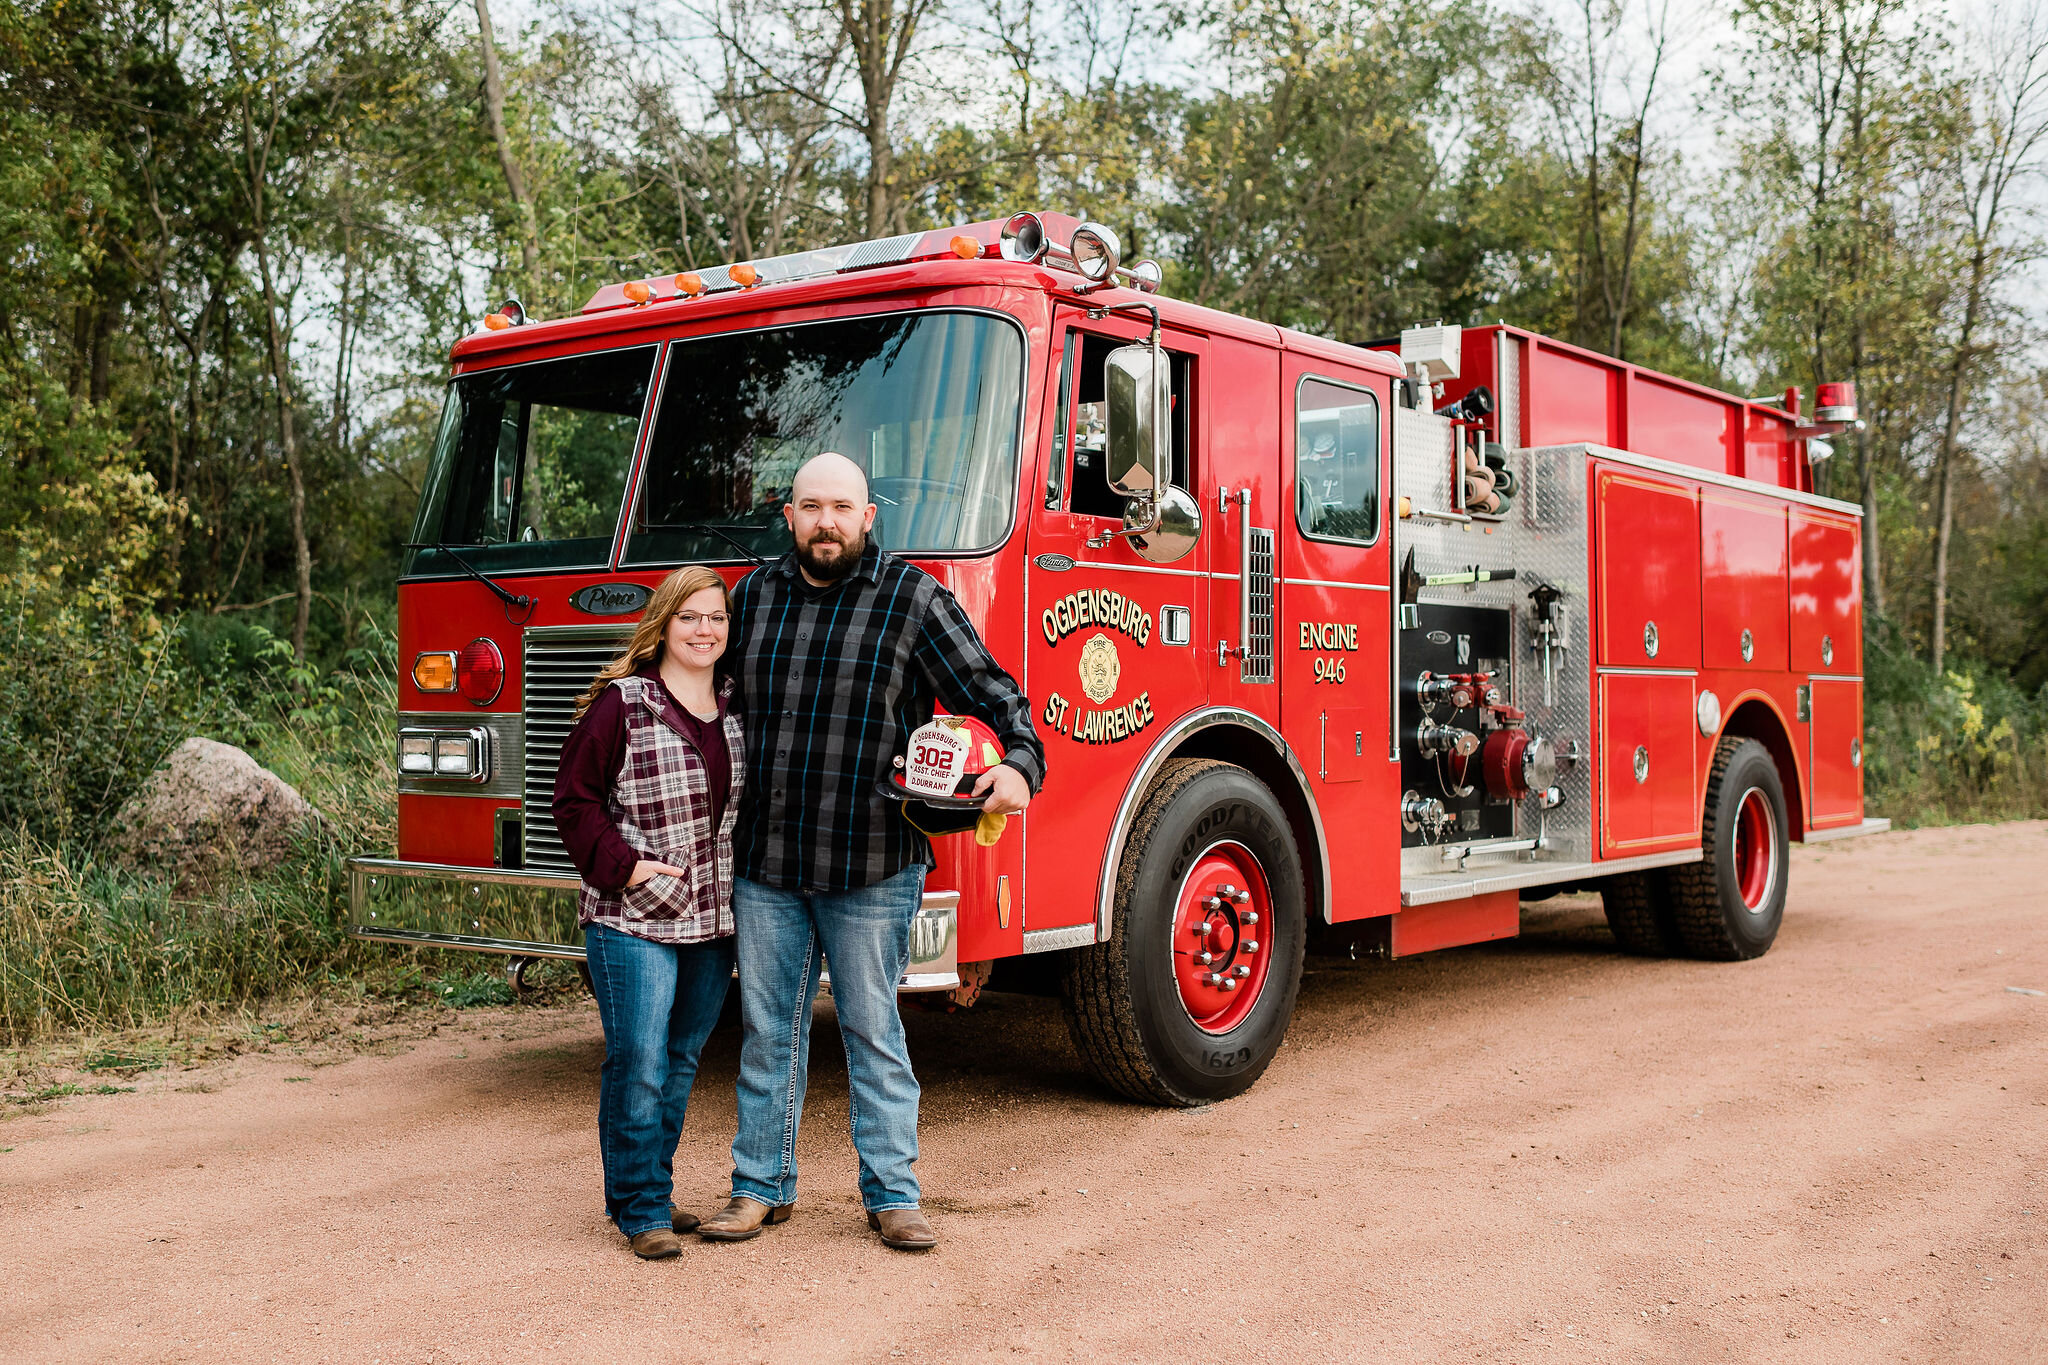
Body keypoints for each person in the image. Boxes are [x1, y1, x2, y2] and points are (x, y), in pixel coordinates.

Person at [695, 452, 1044, 1252]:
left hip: (873, 861)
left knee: (872, 1029)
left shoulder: (914, 598)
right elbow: (712, 702)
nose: (826, 521)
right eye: (811, 506)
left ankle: (893, 1194)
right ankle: (758, 1188)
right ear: (789, 515)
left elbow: (994, 692)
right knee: (767, 1032)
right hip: (768, 861)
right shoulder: (754, 597)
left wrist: (1021, 765)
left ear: (868, 517)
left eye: (841, 507)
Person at [552, 564, 744, 1260]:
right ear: (663, 623)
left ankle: (648, 1191)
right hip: (631, 916)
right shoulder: (622, 703)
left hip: (710, 921)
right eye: (690, 616)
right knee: (638, 1059)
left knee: (682, 1056)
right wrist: (625, 864)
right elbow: (572, 801)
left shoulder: (733, 705)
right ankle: (640, 1208)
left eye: (716, 617)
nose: (704, 629)